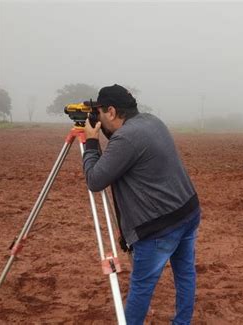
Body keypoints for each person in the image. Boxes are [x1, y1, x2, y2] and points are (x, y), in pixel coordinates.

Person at [82, 84, 200, 325]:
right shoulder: (151, 120)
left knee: (141, 288)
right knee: (185, 273)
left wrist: (92, 142)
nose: (99, 118)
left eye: (100, 113)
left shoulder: (126, 137)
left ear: (112, 112)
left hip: (159, 227)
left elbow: (95, 180)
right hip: (187, 210)